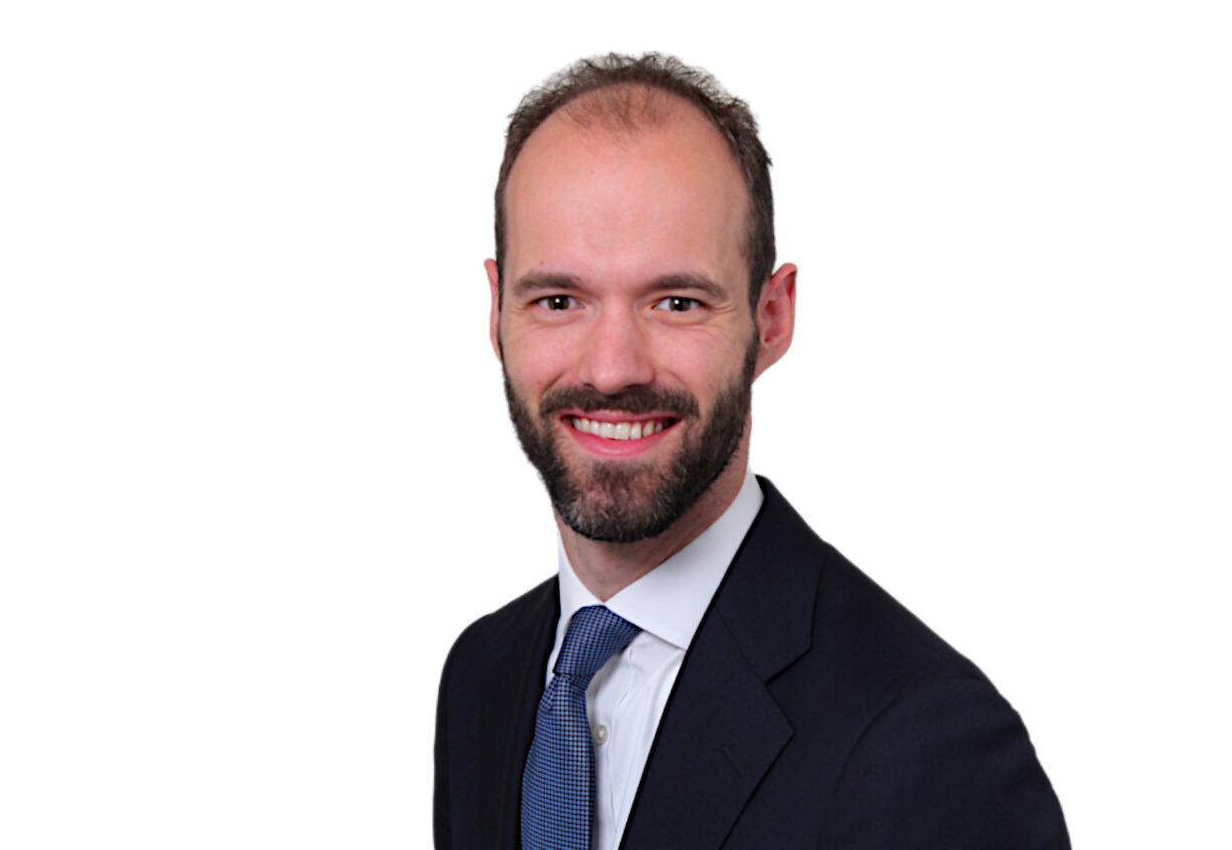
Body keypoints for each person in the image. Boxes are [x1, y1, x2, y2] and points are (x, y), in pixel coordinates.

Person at [434, 53, 1070, 850]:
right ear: (497, 311)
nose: (612, 368)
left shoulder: (928, 746)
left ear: (772, 318)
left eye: (676, 302)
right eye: (559, 300)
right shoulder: (483, 678)